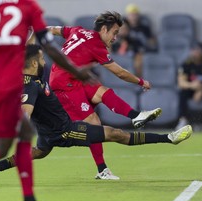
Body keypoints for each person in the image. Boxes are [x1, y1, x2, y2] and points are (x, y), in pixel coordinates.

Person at [0, 44, 192, 180]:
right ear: (32, 64)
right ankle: (169, 138)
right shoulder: (30, 86)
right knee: (115, 134)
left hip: (48, 134)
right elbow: (25, 113)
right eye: (40, 60)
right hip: (64, 131)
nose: (43, 62)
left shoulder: (30, 78)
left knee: (37, 153)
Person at [0, 0, 93, 201]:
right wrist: (78, 71)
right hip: (6, 83)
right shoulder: (28, 6)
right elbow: (49, 47)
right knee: (2, 145)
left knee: (21, 134)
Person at [48, 11, 162, 180]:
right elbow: (120, 73)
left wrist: (35, 31)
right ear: (103, 29)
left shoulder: (78, 30)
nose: (115, 37)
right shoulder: (96, 45)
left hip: (74, 80)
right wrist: (141, 82)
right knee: (94, 122)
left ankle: (136, 116)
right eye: (114, 33)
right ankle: (102, 170)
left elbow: (53, 29)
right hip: (63, 86)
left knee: (103, 92)